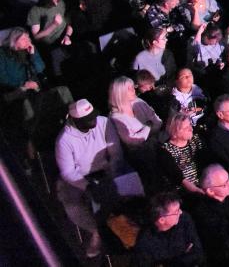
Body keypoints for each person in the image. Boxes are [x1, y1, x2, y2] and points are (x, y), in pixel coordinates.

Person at [55, 99, 124, 258]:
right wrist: (87, 186)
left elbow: (116, 152)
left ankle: (120, 228)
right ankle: (95, 230)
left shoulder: (104, 122)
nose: (94, 121)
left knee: (118, 189)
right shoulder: (64, 139)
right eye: (88, 119)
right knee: (70, 201)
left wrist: (111, 173)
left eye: (93, 116)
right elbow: (67, 172)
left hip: (105, 169)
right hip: (79, 177)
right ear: (77, 121)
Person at [134, 192, 204, 266]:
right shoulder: (145, 242)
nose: (180, 212)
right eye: (176, 212)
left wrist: (168, 263)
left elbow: (198, 252)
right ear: (162, 220)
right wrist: (184, 256)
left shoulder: (184, 219)